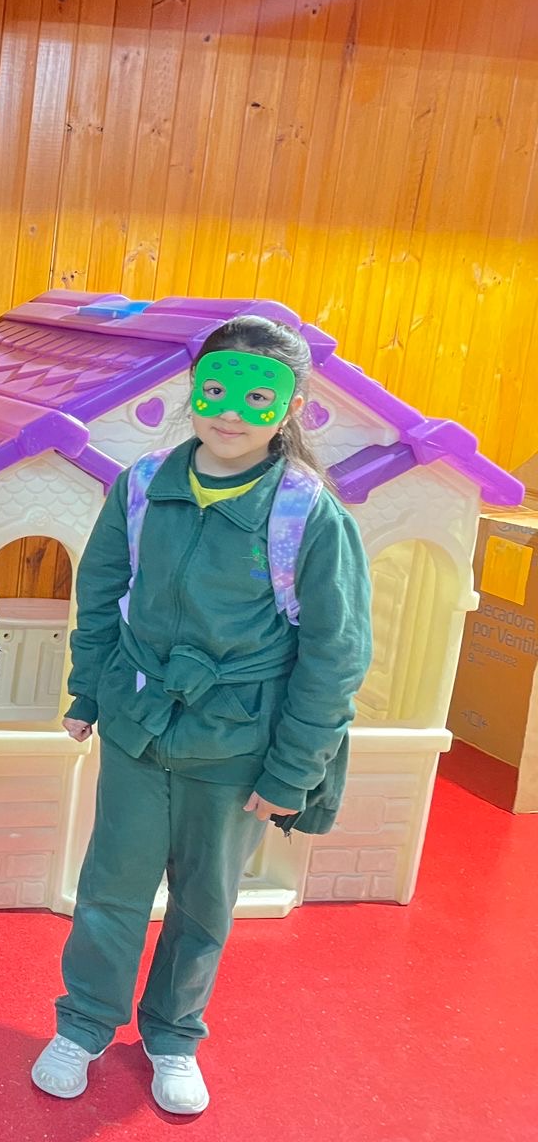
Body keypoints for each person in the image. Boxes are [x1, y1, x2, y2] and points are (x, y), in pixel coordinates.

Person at [30, 315, 372, 1116]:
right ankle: (83, 1024)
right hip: (139, 728)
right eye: (215, 390)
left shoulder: (309, 514)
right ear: (193, 391)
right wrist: (88, 692)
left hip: (238, 745)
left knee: (205, 901)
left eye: (258, 399)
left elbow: (335, 655)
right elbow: (100, 594)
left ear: (290, 408)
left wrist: (292, 771)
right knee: (110, 888)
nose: (231, 413)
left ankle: (175, 1035)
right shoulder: (141, 486)